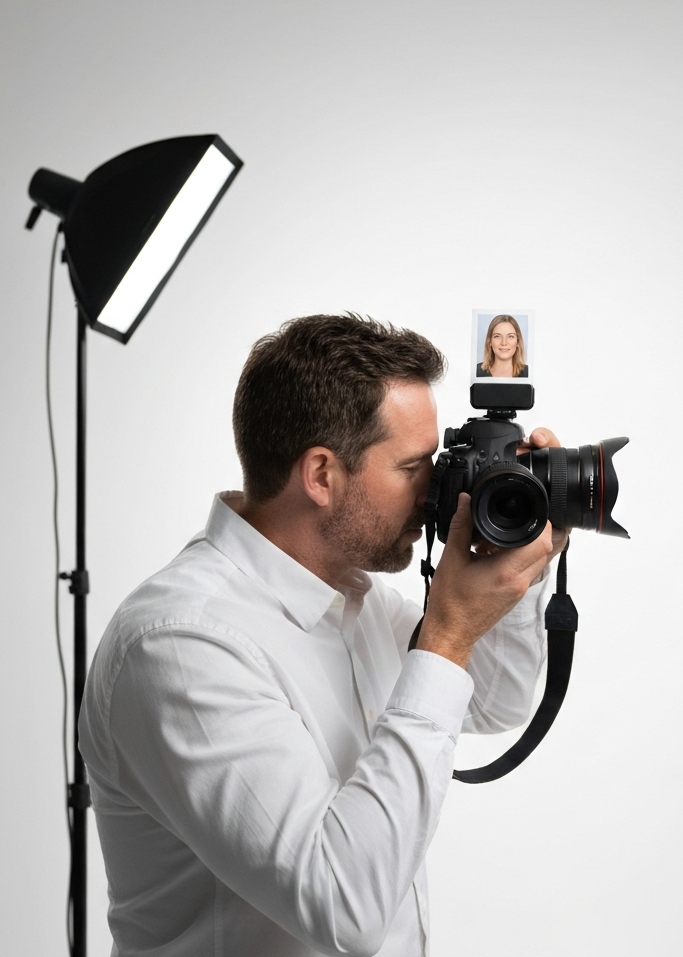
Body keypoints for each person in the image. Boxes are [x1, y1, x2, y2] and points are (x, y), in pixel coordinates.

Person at [79, 314, 565, 957]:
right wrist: (444, 637)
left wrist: (521, 566)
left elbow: (492, 700)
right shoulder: (180, 647)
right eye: (416, 466)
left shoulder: (355, 604)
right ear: (321, 475)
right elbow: (343, 909)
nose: (440, 492)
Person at [474, 313, 529, 378]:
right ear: (489, 341)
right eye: (497, 336)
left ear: (518, 341)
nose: (504, 343)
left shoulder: (529, 374)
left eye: (510, 336)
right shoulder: (475, 372)